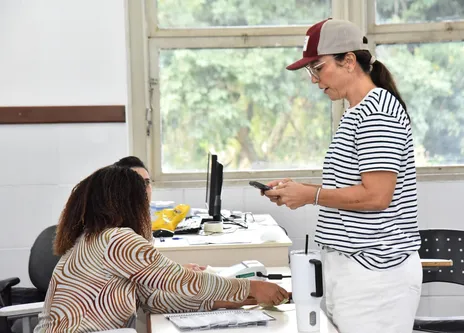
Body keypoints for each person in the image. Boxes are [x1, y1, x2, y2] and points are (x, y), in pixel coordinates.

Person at [263, 19, 422, 333]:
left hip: (376, 273)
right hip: (353, 270)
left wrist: (311, 195)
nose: (314, 80)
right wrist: (301, 190)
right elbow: (354, 188)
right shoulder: (356, 112)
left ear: (348, 61)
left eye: (317, 68)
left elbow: (377, 196)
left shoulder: (377, 112)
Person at [34, 166, 288, 332]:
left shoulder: (95, 238)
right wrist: (251, 287)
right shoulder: (117, 240)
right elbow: (180, 281)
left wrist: (218, 301)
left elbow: (152, 298)